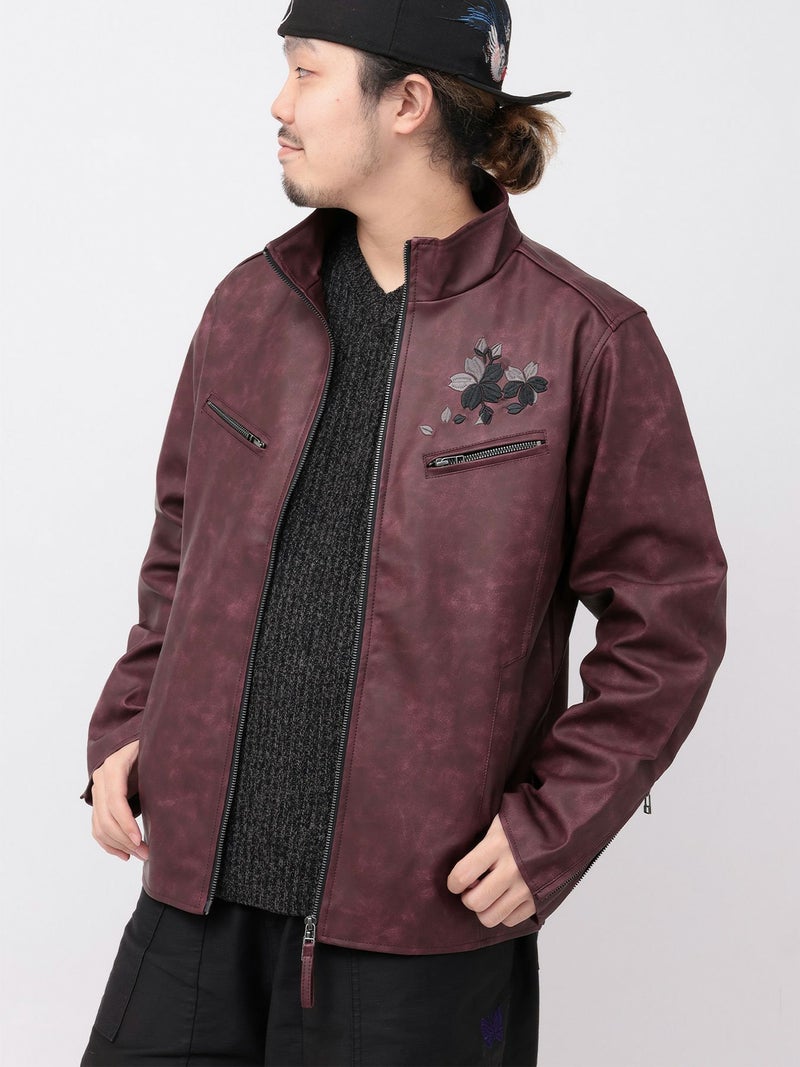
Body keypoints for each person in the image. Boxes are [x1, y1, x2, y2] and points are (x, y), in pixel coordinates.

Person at [78, 1, 727, 1064]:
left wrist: (554, 824)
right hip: (191, 903)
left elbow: (671, 622)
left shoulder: (583, 340)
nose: (279, 103)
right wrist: (129, 720)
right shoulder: (249, 305)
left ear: (408, 102)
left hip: (414, 933)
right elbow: (180, 548)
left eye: (308, 72)